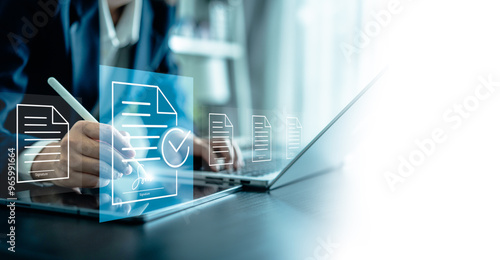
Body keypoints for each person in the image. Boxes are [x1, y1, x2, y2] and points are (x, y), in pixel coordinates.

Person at [0, 0, 242, 189]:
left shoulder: (157, 12)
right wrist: (45, 160)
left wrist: (178, 136)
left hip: (87, 198)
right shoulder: (34, 7)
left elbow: (166, 101)